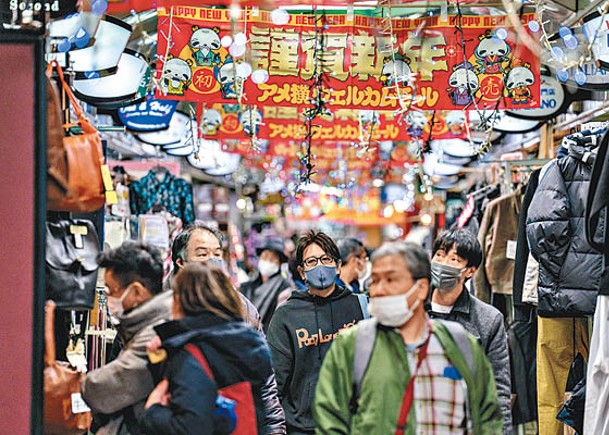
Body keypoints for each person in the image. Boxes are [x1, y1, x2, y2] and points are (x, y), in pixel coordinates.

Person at [314, 241, 502, 434]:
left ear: (421, 288)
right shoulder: (352, 346)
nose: (378, 290)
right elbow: (330, 421)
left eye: (390, 280)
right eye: (375, 281)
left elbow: (487, 418)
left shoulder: (460, 346)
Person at [168, 222, 286, 434]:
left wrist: (275, 429)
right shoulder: (164, 309)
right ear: (180, 262)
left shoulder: (242, 308)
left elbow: (265, 383)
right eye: (202, 254)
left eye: (217, 253)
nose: (212, 260)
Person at [140, 262, 273, 434]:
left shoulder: (193, 352)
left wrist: (153, 412)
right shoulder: (245, 342)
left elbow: (190, 427)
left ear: (183, 301)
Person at [267, 230, 367, 434]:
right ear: (302, 272)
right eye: (311, 262)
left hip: (353, 423)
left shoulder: (359, 306)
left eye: (325, 259)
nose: (319, 266)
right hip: (303, 427)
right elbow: (273, 383)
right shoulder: (285, 317)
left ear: (338, 266)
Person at [82, 241, 172, 434]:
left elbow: (103, 389)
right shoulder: (143, 325)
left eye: (111, 290)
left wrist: (77, 383)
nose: (107, 298)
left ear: (137, 291)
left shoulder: (157, 331)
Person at [428, 228, 512, 434]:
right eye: (439, 255)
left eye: (454, 259)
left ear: (471, 271)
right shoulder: (411, 308)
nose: (443, 264)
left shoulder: (488, 320)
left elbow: (498, 389)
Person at [240, 239, 291, 331]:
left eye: (273, 259)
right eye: (265, 256)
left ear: (279, 263)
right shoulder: (246, 287)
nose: (268, 261)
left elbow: (279, 322)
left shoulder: (284, 288)